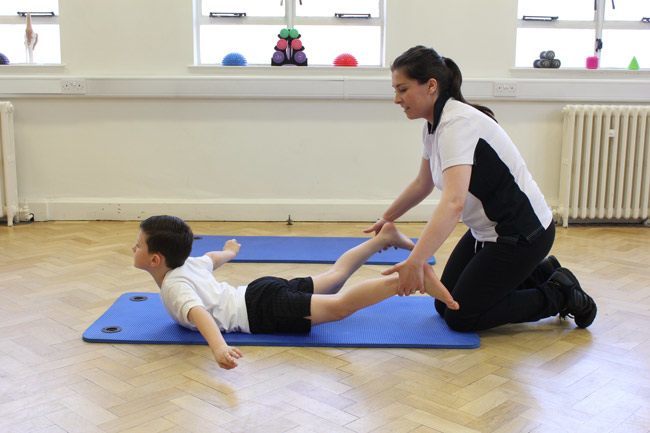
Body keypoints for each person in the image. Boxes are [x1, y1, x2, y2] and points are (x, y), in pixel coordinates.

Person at [364, 45, 597, 332]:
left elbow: (453, 203)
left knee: (462, 317)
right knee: (444, 303)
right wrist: (387, 218)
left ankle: (560, 295)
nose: (396, 99)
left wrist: (416, 261)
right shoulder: (433, 125)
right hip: (488, 233)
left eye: (402, 89)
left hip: (523, 234)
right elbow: (422, 184)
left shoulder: (457, 124)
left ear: (431, 86)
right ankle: (543, 273)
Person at [132, 215, 459, 370]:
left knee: (339, 306)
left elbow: (199, 314)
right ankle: (381, 239)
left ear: (155, 259)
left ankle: (403, 279)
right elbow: (212, 259)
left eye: (138, 245)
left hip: (262, 312)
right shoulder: (188, 264)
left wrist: (218, 348)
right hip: (260, 291)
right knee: (334, 276)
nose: (134, 247)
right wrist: (229, 252)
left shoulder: (173, 286)